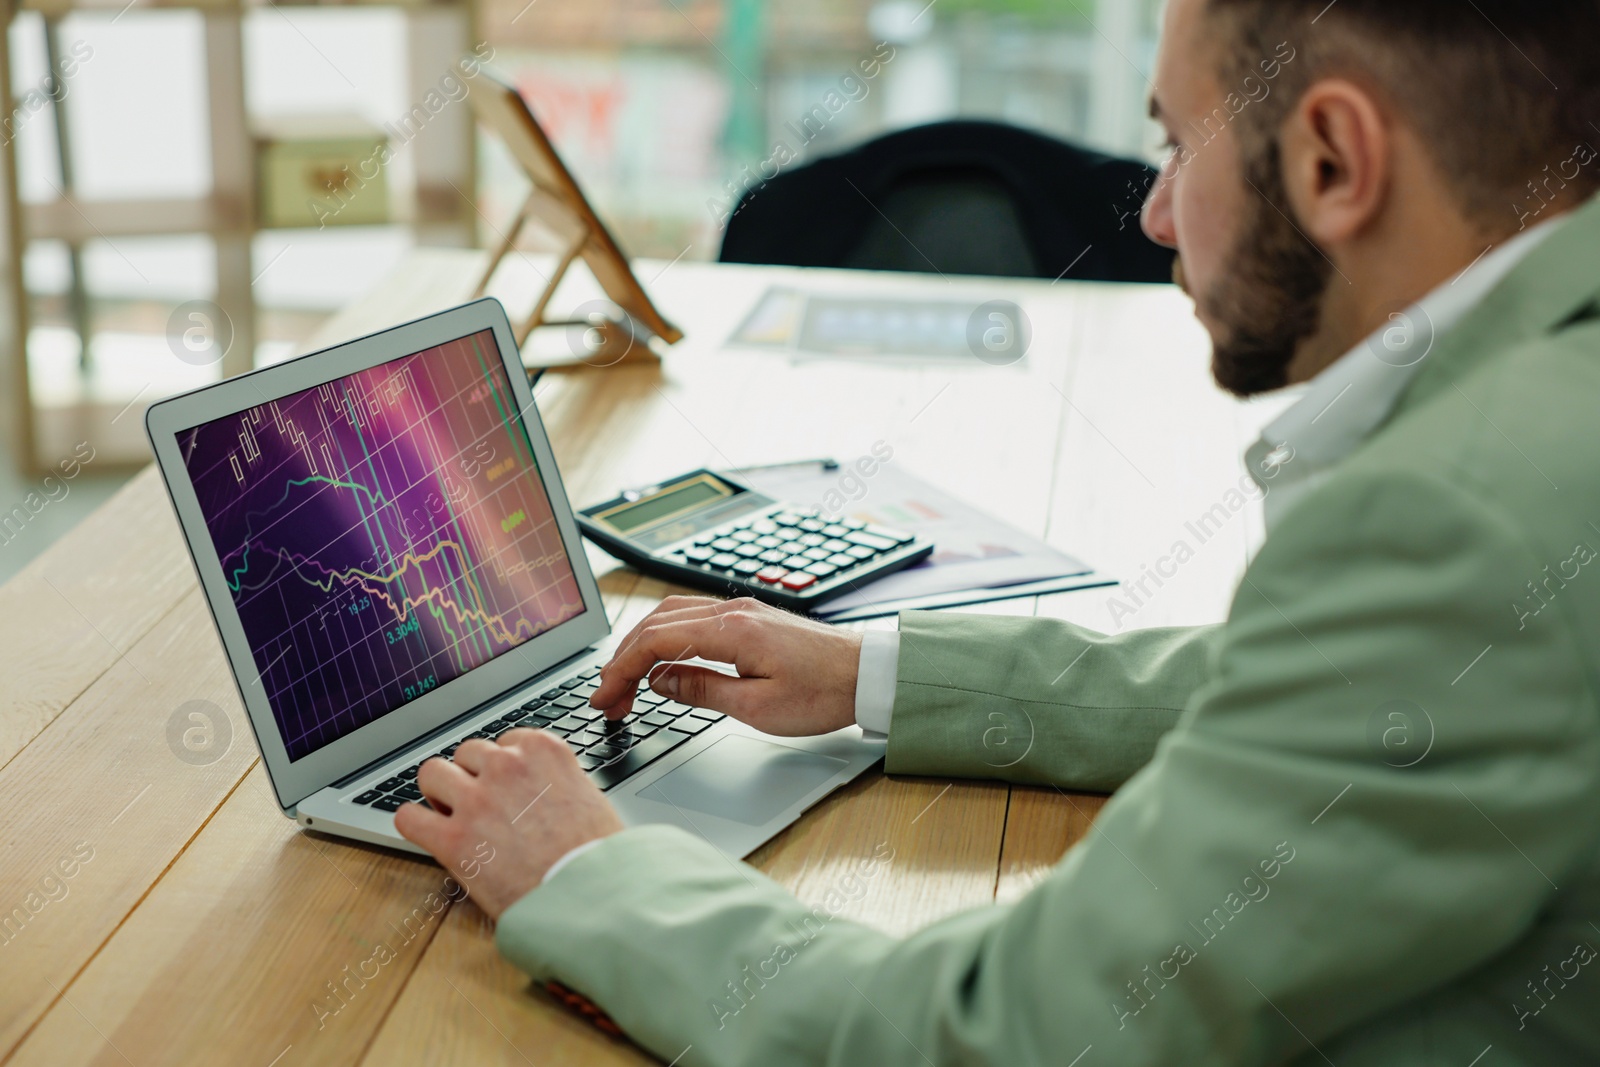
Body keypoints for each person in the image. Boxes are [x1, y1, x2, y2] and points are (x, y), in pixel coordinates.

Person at [395, 0, 1600, 1061]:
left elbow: (1006, 1033)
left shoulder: (1457, 513)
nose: (1159, 216)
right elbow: (1341, 695)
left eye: (1178, 147)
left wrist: (587, 873)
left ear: (1336, 159)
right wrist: (873, 671)